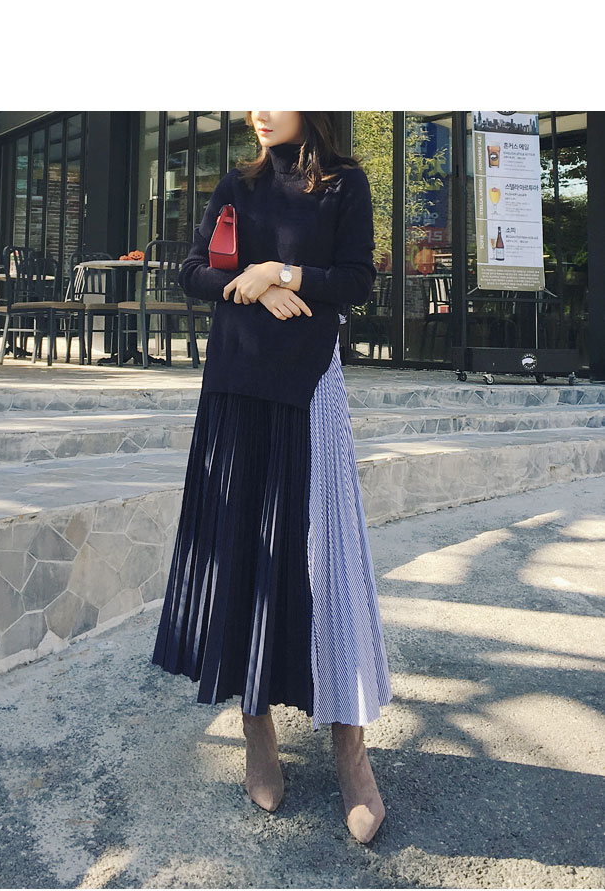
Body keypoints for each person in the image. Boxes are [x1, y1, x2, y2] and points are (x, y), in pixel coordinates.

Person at [151, 111, 393, 844]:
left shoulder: (345, 183)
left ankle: (351, 749)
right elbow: (192, 271)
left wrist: (281, 272)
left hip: (310, 386)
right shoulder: (238, 183)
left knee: (327, 563)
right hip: (236, 386)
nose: (259, 107)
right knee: (244, 555)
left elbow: (356, 279)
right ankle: (256, 725)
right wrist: (251, 285)